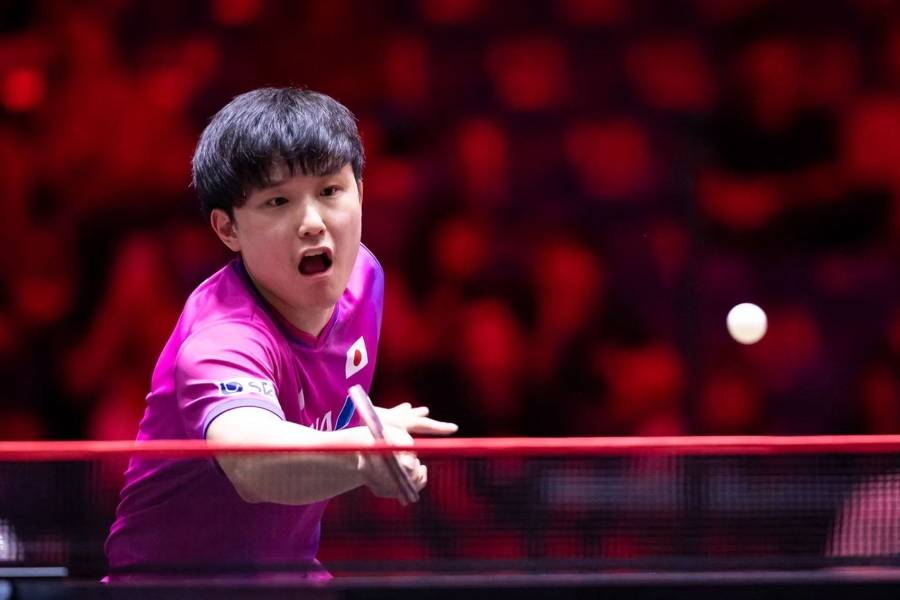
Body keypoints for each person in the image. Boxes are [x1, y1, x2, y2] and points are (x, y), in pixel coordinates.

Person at [104, 87, 457, 580]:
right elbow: (253, 464)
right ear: (228, 229)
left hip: (288, 577)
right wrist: (360, 453)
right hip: (171, 591)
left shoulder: (364, 281)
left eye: (330, 191)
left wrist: (358, 427)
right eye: (277, 201)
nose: (312, 223)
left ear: (360, 191)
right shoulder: (222, 338)